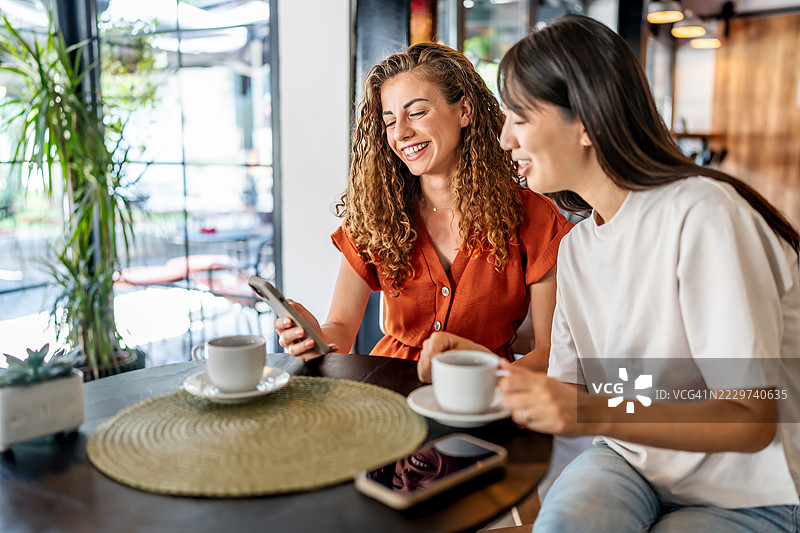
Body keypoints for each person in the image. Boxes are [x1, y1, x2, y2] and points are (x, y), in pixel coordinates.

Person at [420, 14, 800, 532]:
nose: (505, 139)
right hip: (632, 462)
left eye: (520, 117)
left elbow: (752, 419)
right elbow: (569, 391)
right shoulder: (577, 246)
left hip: (751, 491)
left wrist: (589, 413)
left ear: (584, 122)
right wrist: (489, 368)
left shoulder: (701, 215)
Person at [276, 42, 572, 369]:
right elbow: (342, 330)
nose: (401, 132)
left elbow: (548, 353)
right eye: (389, 121)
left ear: (464, 111)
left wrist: (490, 379)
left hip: (486, 396)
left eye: (417, 112)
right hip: (387, 392)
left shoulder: (536, 218)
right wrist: (315, 338)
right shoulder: (377, 211)